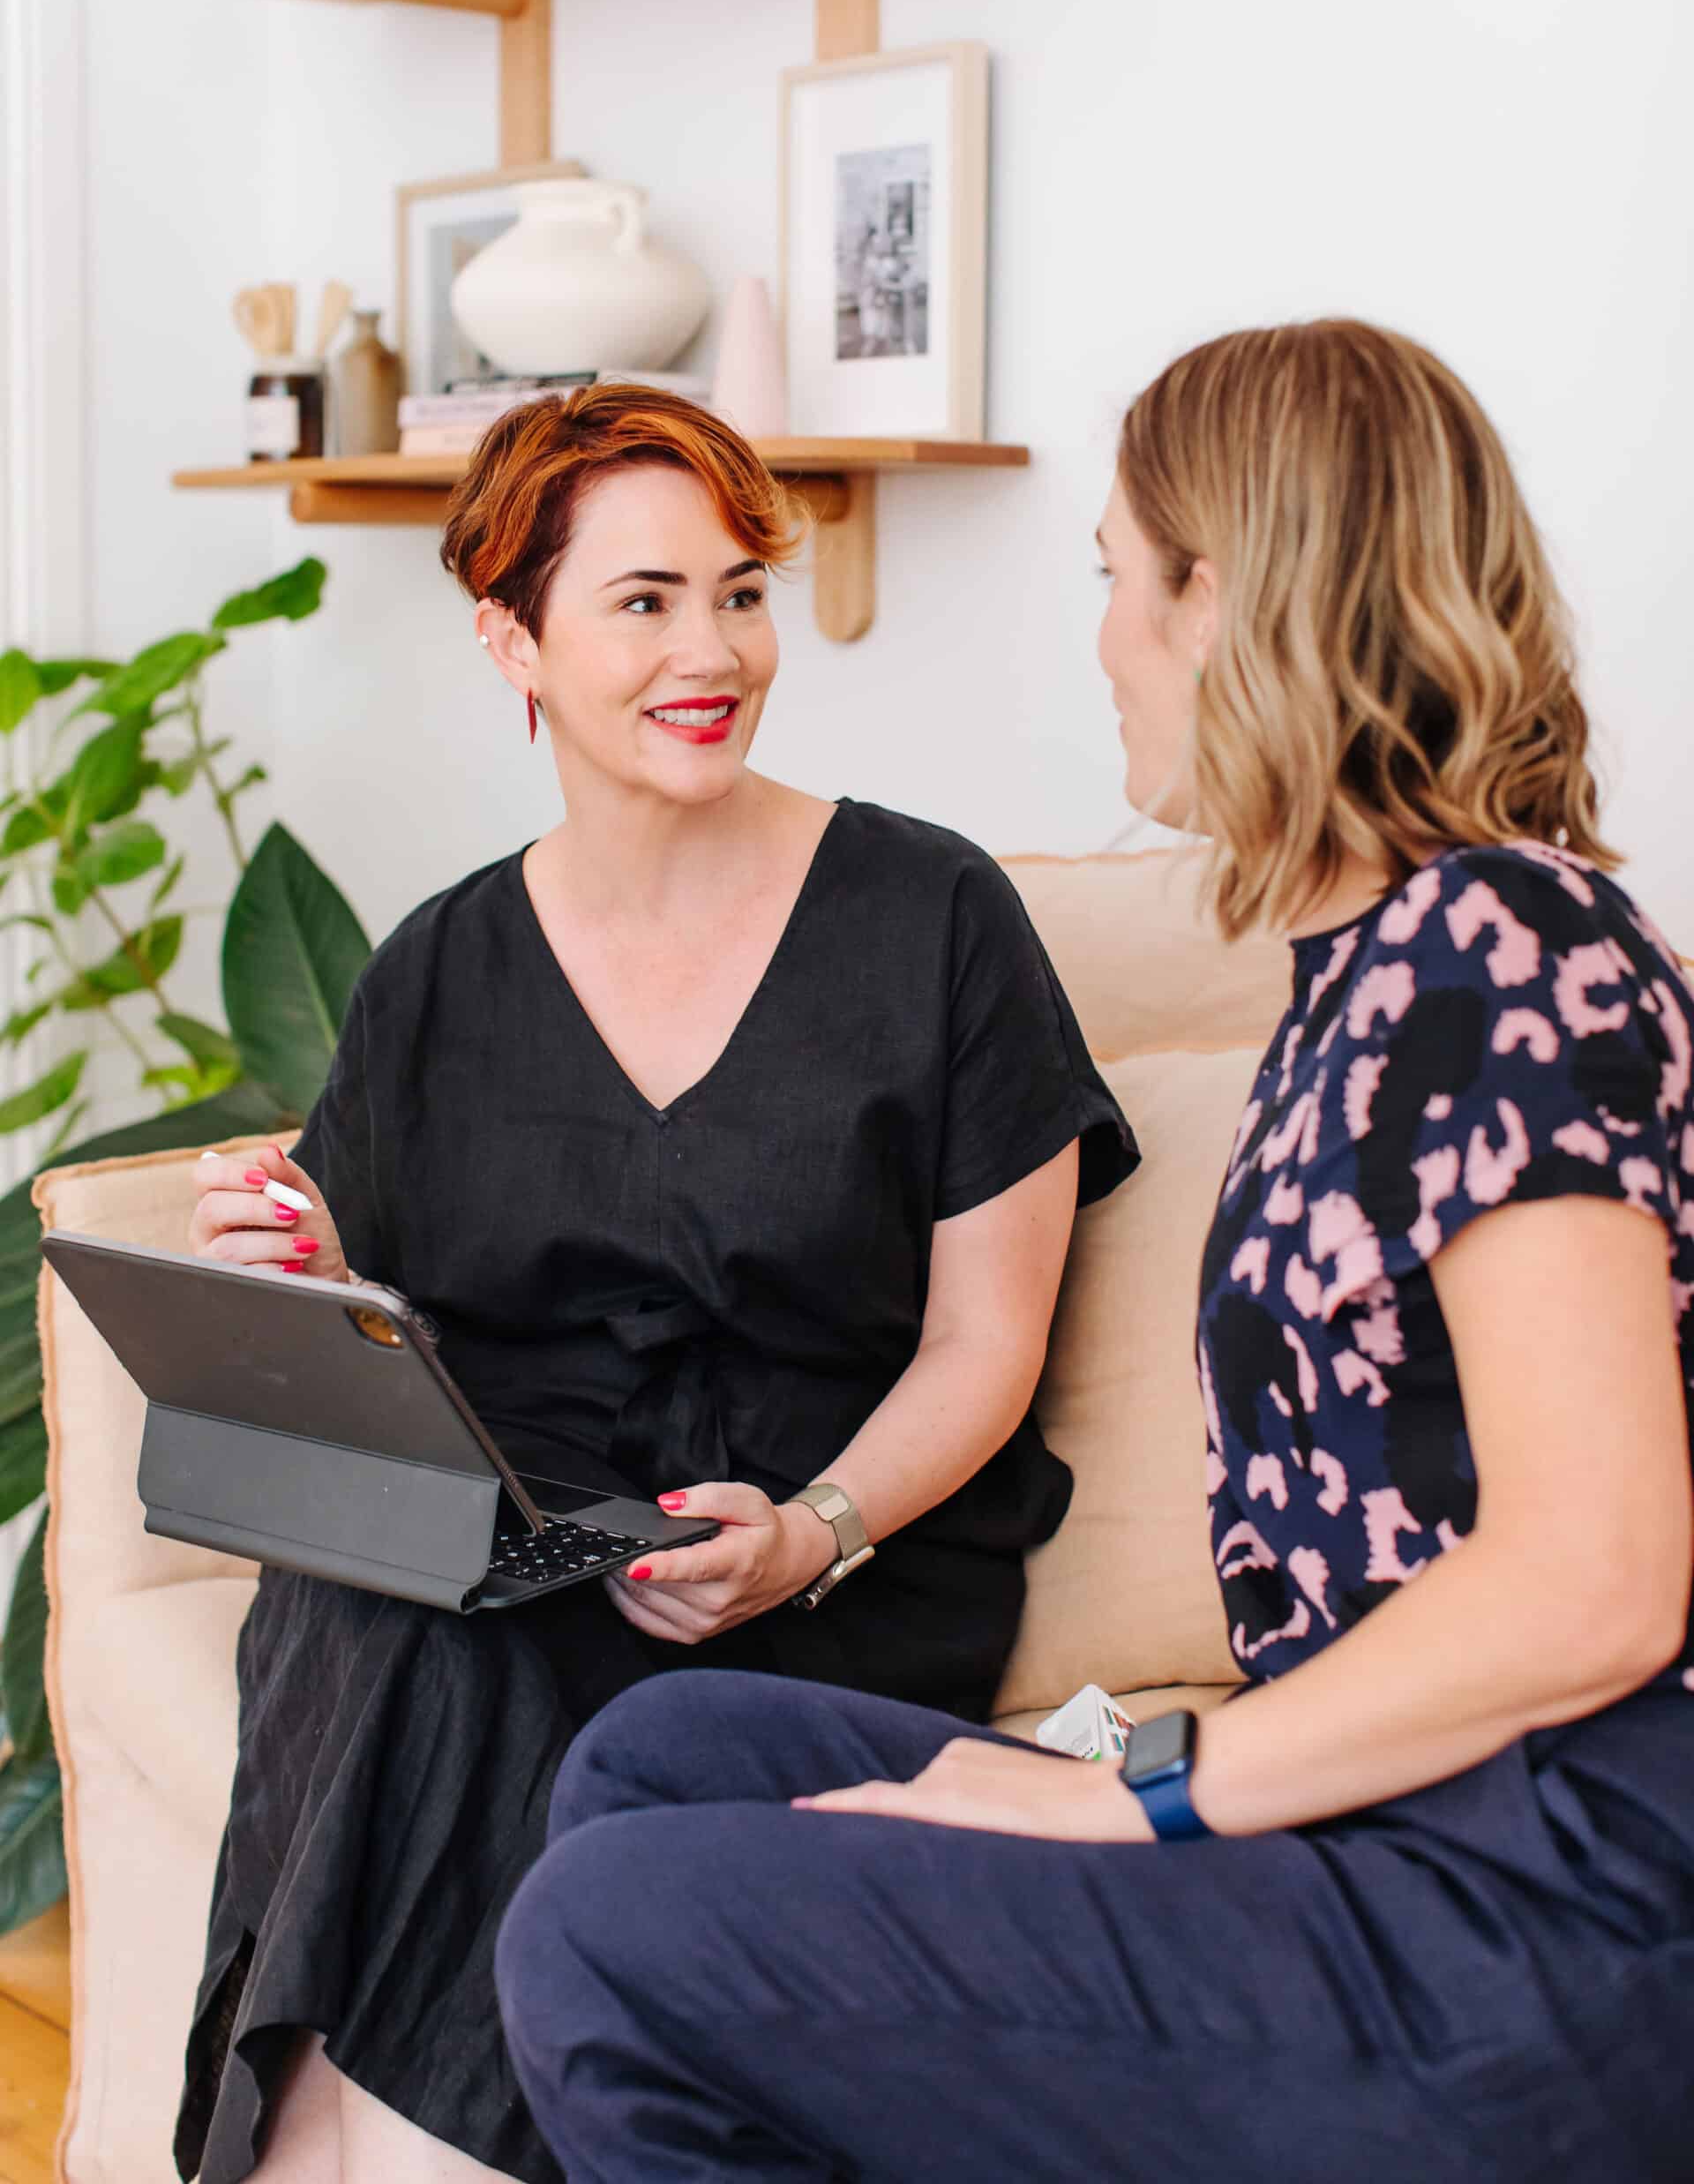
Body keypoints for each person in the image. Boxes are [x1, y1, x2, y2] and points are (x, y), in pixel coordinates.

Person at [496, 322, 1694, 2184]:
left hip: (1541, 1910)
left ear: (1229, 601)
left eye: (1119, 576)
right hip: (1390, 1833)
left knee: (608, 1931)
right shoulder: (1367, 975)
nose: (1107, 637)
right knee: (667, 1764)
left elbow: (1599, 1582)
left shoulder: (1506, 952)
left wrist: (1145, 1804)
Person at [176, 386, 1136, 2184]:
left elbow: (987, 1346)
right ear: (510, 640)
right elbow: (365, 1310)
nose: (715, 650)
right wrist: (294, 1261)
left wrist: (813, 1526)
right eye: (643, 601)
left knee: (427, 1662)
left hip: (819, 1577)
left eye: (741, 592)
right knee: (386, 1604)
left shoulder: (935, 921)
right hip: (516, 1547)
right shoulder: (434, 973)